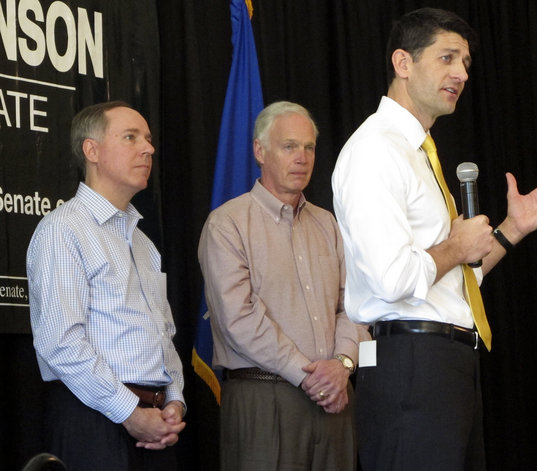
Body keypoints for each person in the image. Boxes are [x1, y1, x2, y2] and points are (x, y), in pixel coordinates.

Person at [331, 8, 537, 471]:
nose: (460, 73)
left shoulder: (418, 152)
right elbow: (393, 276)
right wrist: (456, 246)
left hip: (445, 364)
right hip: (411, 364)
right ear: (403, 62)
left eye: (465, 63)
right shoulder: (375, 150)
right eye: (447, 58)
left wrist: (512, 230)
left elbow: (452, 280)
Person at [198, 101, 370, 471]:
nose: (302, 157)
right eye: (289, 146)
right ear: (260, 151)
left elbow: (356, 305)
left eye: (309, 147)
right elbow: (238, 318)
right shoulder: (227, 224)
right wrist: (308, 375)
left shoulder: (329, 224)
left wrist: (341, 365)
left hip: (336, 397)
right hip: (264, 398)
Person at [27, 101, 186, 471]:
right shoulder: (63, 230)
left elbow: (164, 334)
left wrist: (174, 400)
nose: (148, 148)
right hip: (94, 420)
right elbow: (61, 344)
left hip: (157, 424)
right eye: (130, 137)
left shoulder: (143, 243)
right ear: (92, 150)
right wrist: (130, 412)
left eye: (148, 139)